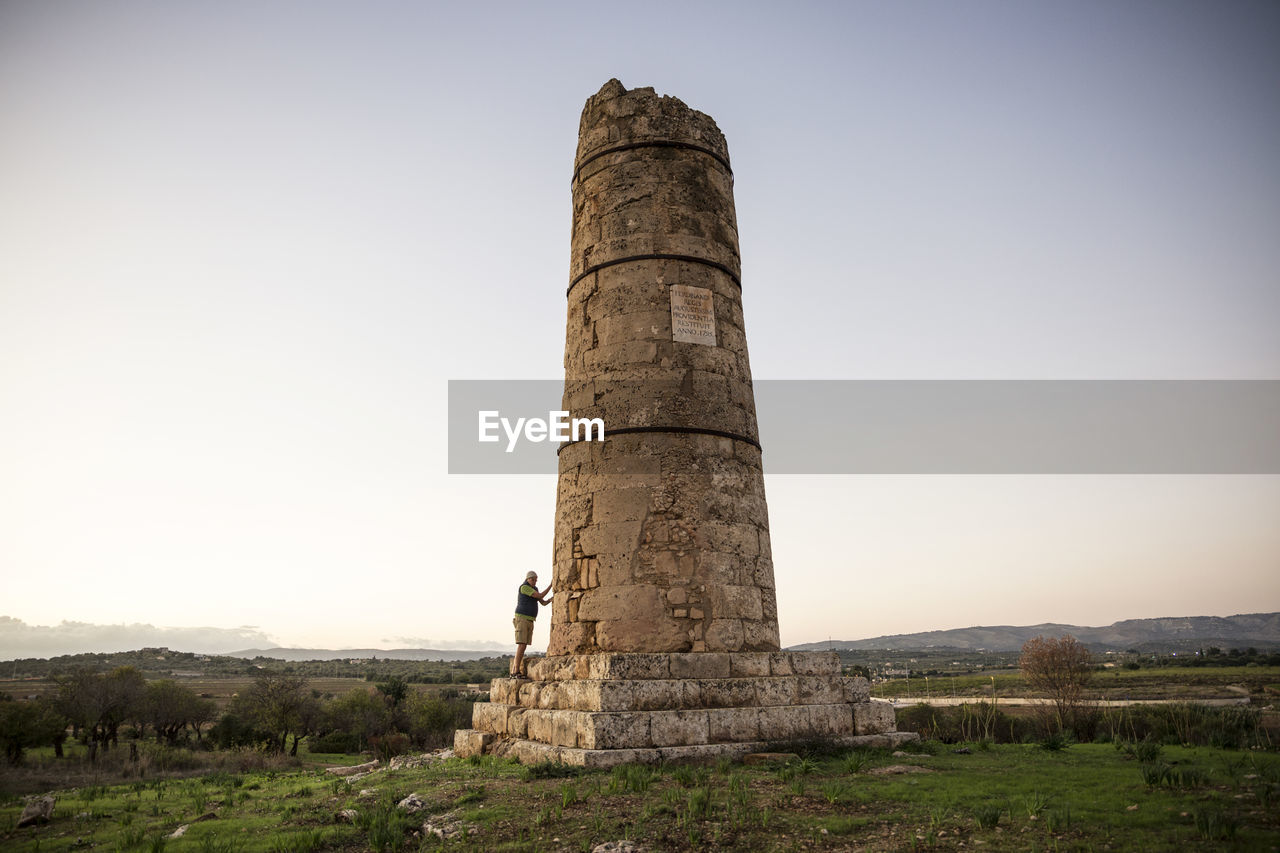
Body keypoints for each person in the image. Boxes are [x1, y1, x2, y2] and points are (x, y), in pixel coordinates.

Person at [512, 570, 551, 678]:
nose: (534, 581)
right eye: (533, 579)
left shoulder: (535, 589)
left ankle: (514, 671)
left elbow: (542, 602)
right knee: (521, 645)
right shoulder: (524, 587)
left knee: (523, 645)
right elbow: (540, 595)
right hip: (522, 618)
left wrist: (552, 599)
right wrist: (551, 585)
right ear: (528, 579)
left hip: (530, 619)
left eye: (536, 580)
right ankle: (515, 671)